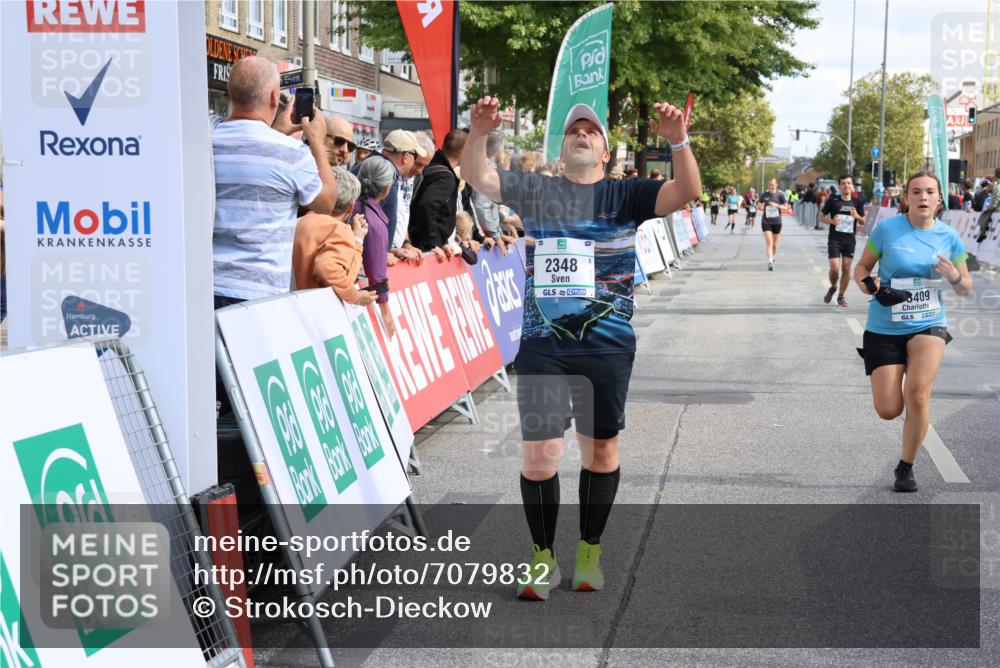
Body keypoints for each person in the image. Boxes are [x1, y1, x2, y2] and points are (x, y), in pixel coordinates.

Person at [461, 96, 700, 600]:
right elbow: (478, 177)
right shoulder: (538, 190)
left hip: (606, 345)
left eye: (592, 131)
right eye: (574, 130)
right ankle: (542, 557)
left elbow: (687, 191)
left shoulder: (626, 194)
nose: (582, 134)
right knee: (540, 453)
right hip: (542, 344)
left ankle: (589, 550)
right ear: (563, 148)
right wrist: (477, 132)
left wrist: (678, 140)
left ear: (606, 153)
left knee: (601, 450)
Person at [853, 171, 971, 492]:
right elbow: (861, 269)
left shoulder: (949, 237)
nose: (923, 197)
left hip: (928, 323)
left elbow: (966, 286)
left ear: (939, 199)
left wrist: (954, 276)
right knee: (888, 409)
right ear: (906, 198)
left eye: (929, 191)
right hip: (884, 325)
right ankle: (898, 377)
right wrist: (869, 286)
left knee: (917, 396)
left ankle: (905, 467)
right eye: (916, 191)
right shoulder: (887, 230)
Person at [212, 56, 337, 308]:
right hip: (259, 294)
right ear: (273, 97)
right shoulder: (291, 153)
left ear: (229, 93)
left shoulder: (205, 136)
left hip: (204, 286)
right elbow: (326, 203)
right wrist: (317, 142)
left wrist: (276, 133)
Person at [292, 169, 379, 306]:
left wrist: (357, 239)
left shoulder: (300, 221)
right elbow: (328, 268)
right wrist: (355, 297)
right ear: (350, 207)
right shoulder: (339, 230)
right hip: (311, 308)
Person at [354, 157, 399, 338]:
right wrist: (385, 311)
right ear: (386, 189)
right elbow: (377, 273)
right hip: (350, 290)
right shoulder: (375, 223)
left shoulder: (348, 205)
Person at [408, 129, 468, 255]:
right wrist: (431, 244)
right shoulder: (445, 178)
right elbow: (427, 205)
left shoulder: (431, 165)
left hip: (416, 243)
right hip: (425, 249)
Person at [819, 174, 866, 307]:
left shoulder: (857, 202)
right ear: (839, 186)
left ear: (852, 186)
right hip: (834, 239)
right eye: (843, 183)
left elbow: (863, 221)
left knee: (846, 268)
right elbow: (821, 217)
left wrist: (857, 216)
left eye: (849, 183)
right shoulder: (833, 200)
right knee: (834, 269)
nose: (846, 185)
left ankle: (841, 296)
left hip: (849, 240)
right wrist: (832, 221)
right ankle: (833, 287)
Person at [759, 178, 787, 270]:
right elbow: (759, 205)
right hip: (766, 222)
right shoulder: (764, 195)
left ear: (776, 185)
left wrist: (777, 205)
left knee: (774, 244)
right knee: (769, 243)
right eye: (770, 185)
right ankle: (770, 262)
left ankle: (772, 257)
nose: (771, 186)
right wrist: (761, 206)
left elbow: (786, 207)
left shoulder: (780, 195)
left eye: (773, 185)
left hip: (777, 222)